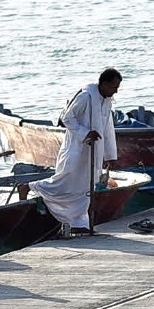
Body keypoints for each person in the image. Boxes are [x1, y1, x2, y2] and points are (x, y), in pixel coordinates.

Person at [38, 69, 122, 237]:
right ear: (104, 84)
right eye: (114, 87)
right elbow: (67, 117)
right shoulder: (85, 96)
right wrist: (85, 133)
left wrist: (110, 156)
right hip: (77, 148)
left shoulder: (107, 101)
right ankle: (32, 187)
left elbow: (108, 128)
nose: (116, 91)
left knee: (86, 185)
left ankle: (78, 222)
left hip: (94, 151)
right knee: (66, 181)